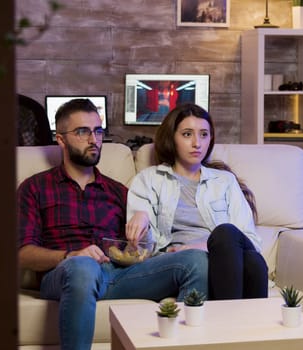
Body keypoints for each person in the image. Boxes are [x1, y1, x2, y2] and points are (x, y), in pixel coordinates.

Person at [17, 98, 208, 350]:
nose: (93, 139)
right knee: (83, 266)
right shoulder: (35, 188)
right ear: (60, 139)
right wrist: (70, 255)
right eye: (82, 131)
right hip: (67, 273)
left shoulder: (119, 191)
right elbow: (23, 254)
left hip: (118, 275)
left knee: (196, 261)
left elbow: (138, 247)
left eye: (97, 131)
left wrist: (139, 244)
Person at [126, 103, 268, 300]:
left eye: (204, 134)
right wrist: (141, 218)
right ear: (172, 138)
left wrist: (202, 246)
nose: (197, 143)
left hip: (224, 257)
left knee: (237, 244)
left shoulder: (224, 181)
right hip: (180, 263)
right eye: (187, 134)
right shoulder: (149, 179)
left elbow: (249, 238)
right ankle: (240, 325)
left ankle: (230, 322)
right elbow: (144, 250)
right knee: (252, 263)